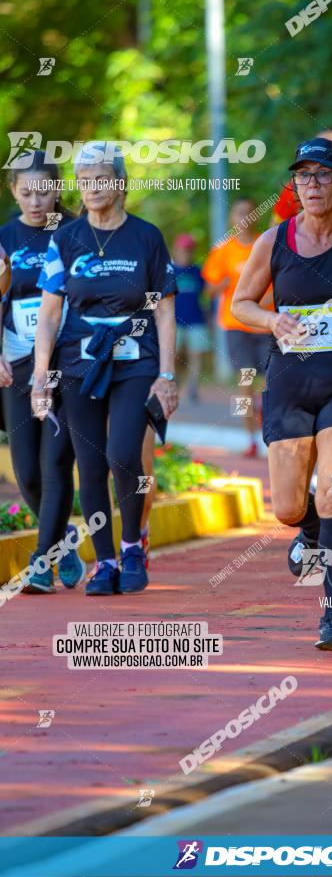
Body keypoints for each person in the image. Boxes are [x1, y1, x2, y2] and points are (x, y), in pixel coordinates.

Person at [231, 137, 332, 649]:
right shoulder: (273, 241)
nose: (312, 185)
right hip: (289, 380)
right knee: (286, 507)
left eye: (322, 175)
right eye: (303, 176)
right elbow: (242, 303)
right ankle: (307, 533)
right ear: (294, 185)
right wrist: (271, 319)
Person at [33, 142, 178, 596]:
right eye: (84, 181)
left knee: (123, 455)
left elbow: (166, 310)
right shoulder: (66, 239)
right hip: (80, 362)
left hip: (136, 361)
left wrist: (168, 375)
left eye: (99, 179)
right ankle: (107, 562)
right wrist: (41, 375)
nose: (91, 188)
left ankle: (133, 544)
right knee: (91, 465)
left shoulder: (147, 237)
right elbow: (50, 313)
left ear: (118, 183)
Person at [0, 150, 85, 593]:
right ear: (14, 192)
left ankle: (41, 562)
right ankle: (65, 541)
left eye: (44, 191)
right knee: (27, 472)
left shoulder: (74, 233)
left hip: (65, 362)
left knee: (55, 466)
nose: (36, 201)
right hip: (17, 364)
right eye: (26, 192)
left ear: (58, 191)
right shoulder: (4, 238)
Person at [202, 197, 272, 458]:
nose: (243, 218)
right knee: (245, 382)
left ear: (255, 216)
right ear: (232, 219)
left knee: (268, 385)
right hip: (236, 326)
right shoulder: (224, 250)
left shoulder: (264, 245)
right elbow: (208, 289)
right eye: (238, 213)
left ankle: (267, 429)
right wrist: (223, 285)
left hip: (265, 325)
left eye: (248, 213)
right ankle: (250, 438)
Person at [172, 233, 209, 402]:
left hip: (196, 319)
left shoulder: (197, 271)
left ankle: (193, 387)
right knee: (173, 354)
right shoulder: (168, 270)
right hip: (173, 321)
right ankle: (175, 382)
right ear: (176, 249)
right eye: (183, 250)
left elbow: (207, 293)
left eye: (189, 250)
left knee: (196, 354)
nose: (186, 253)